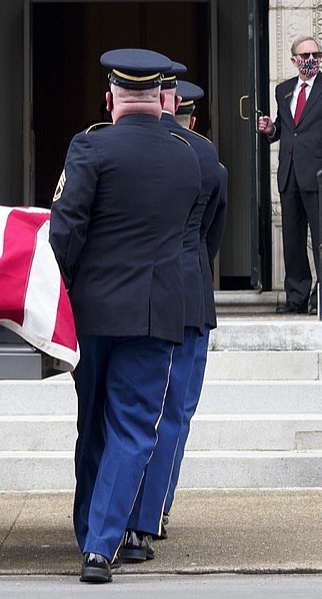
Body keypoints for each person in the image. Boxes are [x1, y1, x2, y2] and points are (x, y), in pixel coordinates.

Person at [50, 48, 201, 583]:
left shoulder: (89, 148)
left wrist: (58, 290)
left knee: (92, 423)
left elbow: (64, 230)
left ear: (110, 97)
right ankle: (102, 544)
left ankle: (90, 532)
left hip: (92, 312)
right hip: (156, 312)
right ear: (164, 99)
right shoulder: (189, 156)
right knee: (134, 427)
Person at [124, 74, 227, 559]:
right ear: (188, 110)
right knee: (173, 414)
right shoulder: (204, 156)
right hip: (186, 293)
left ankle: (117, 515)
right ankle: (152, 515)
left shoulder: (111, 141)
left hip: (129, 294)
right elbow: (210, 236)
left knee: (128, 412)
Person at [256, 35, 322, 315]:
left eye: (316, 55)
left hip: (320, 175)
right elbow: (288, 129)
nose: (311, 60)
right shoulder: (284, 90)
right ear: (294, 60)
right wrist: (271, 130)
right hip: (290, 174)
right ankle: (296, 297)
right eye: (305, 55)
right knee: (292, 240)